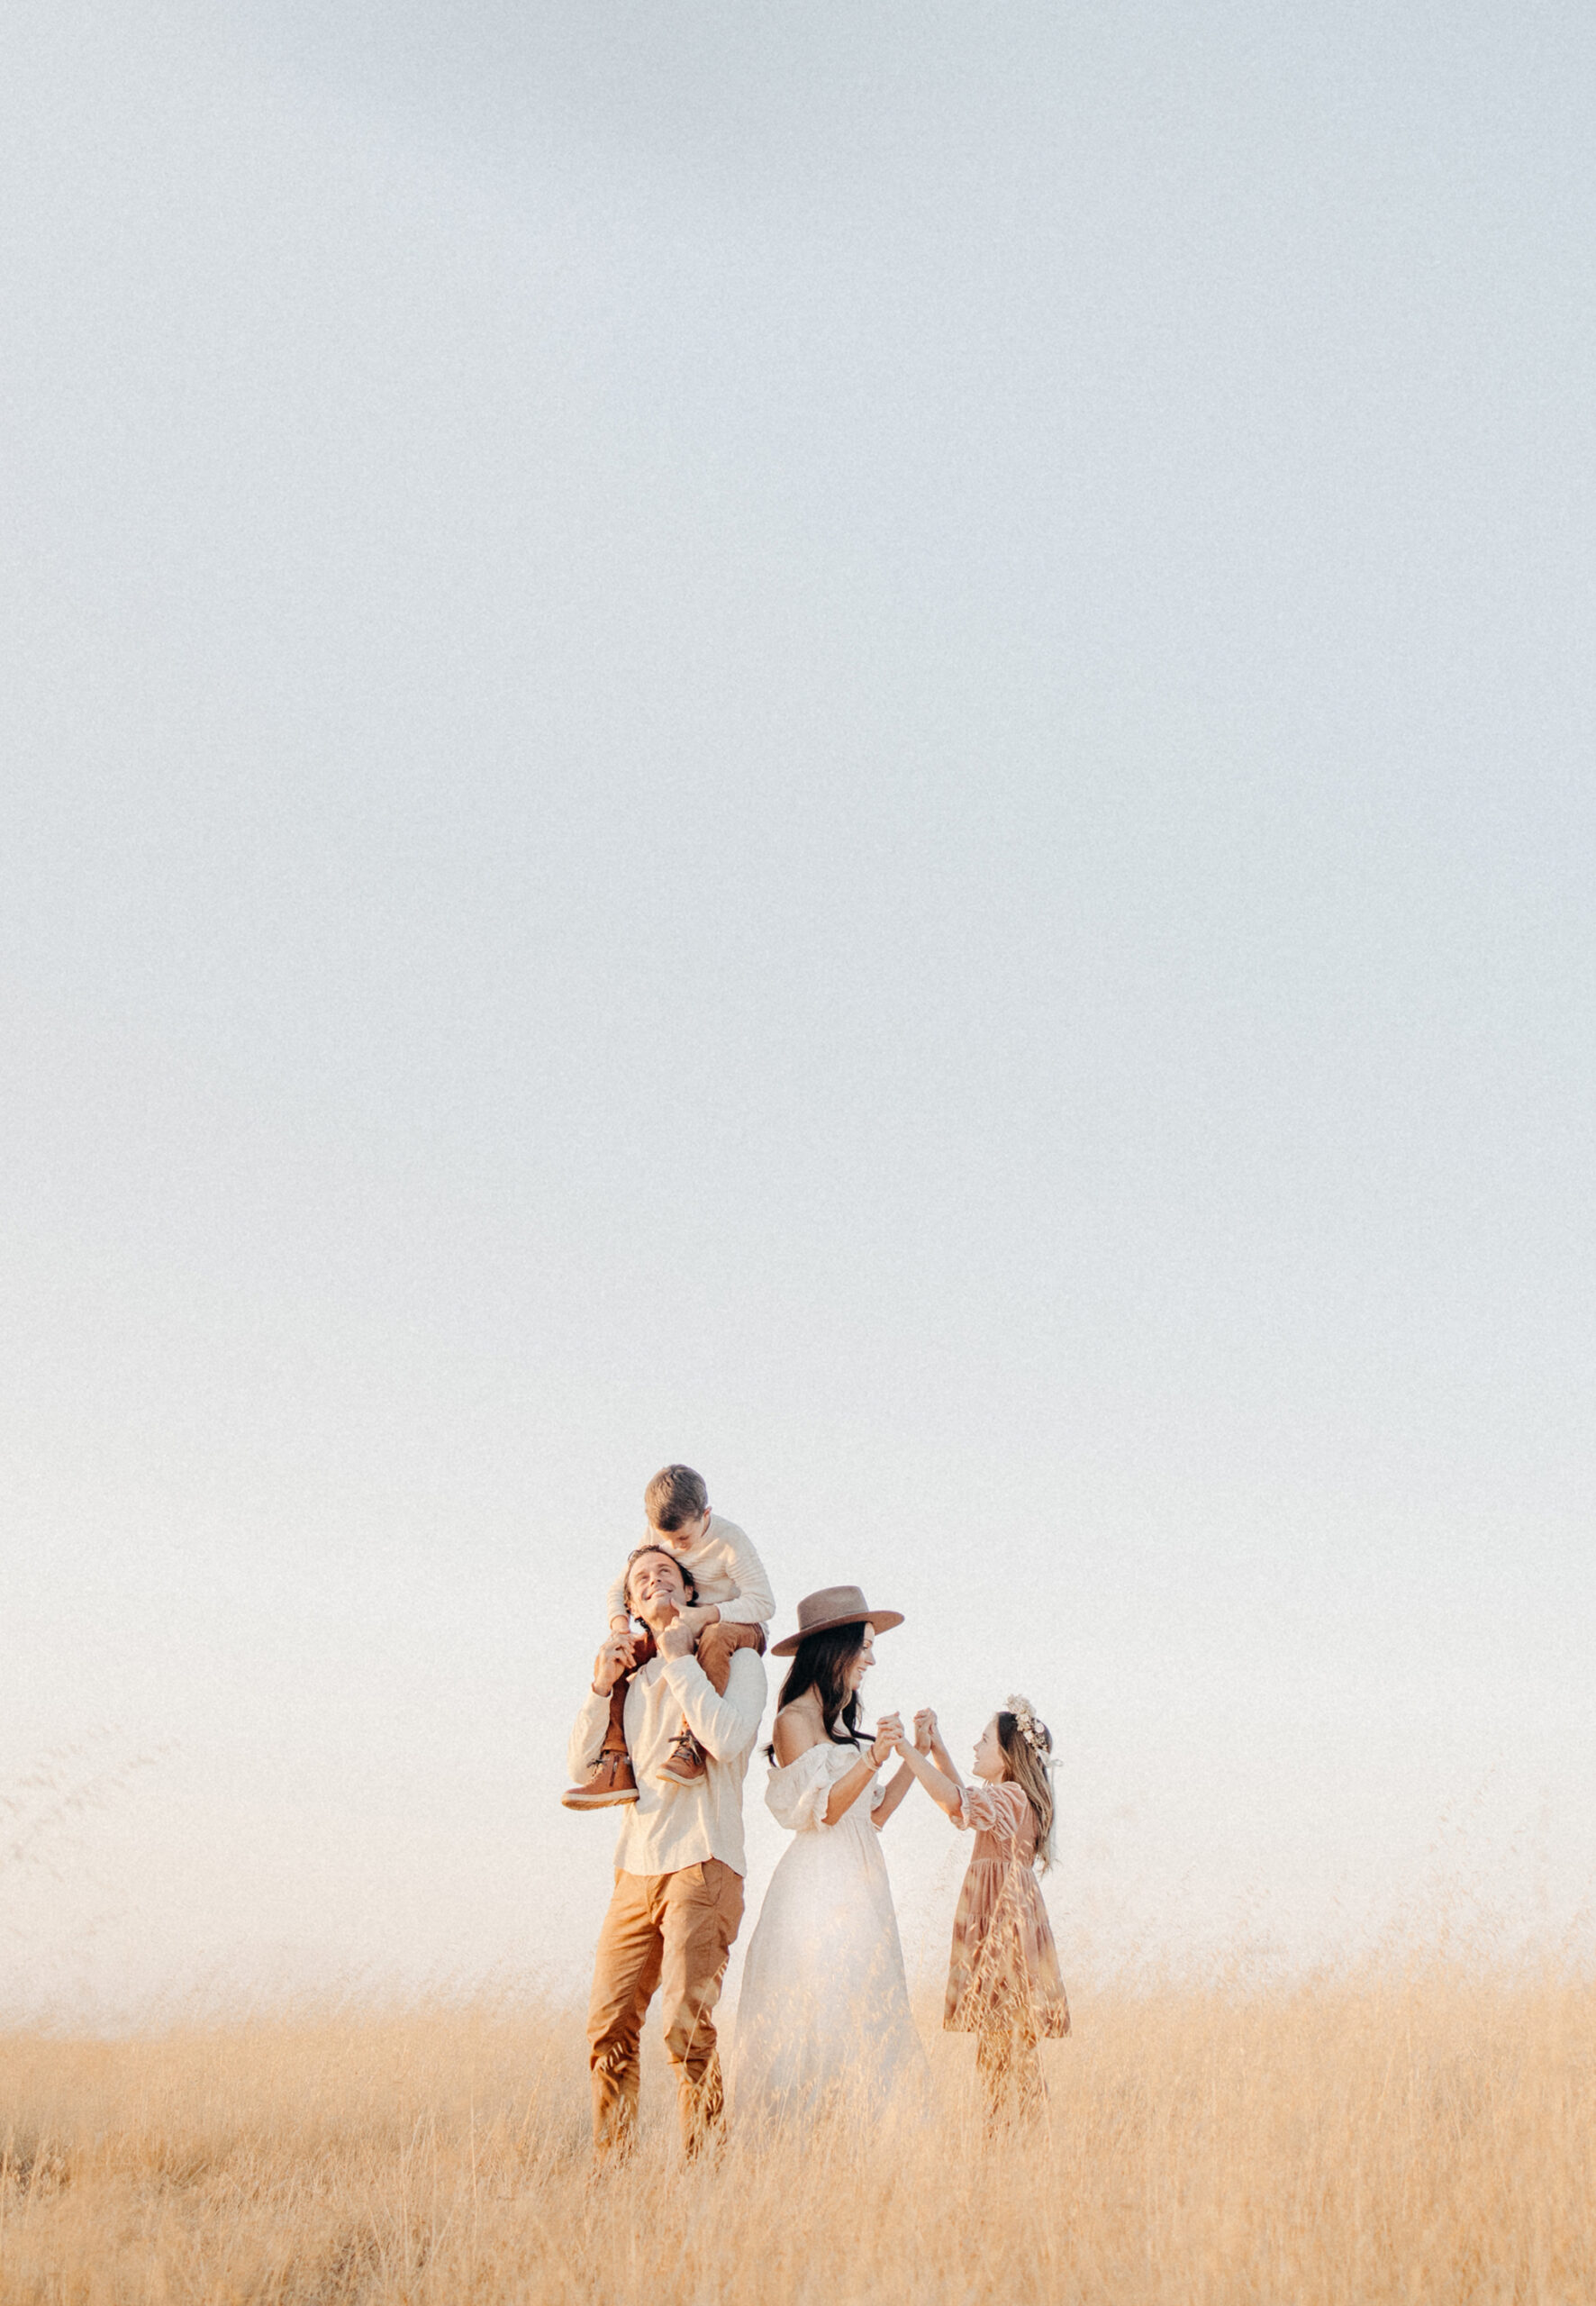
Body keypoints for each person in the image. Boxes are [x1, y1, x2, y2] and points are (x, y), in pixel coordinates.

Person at [567, 1544, 767, 2163]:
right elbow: (579, 1767)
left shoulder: (733, 1659)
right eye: (640, 1578)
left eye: (666, 1573)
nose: (654, 1581)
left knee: (685, 2031)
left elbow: (729, 1740)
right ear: (628, 1603)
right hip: (635, 1868)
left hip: (702, 1862)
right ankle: (613, 2172)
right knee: (608, 2032)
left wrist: (681, 1661)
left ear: (689, 1592)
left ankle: (703, 2174)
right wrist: (600, 1687)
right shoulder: (627, 1674)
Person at [729, 1584, 929, 2125]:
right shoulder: (793, 1721)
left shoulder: (839, 1723)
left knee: (867, 1998)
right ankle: (811, 2136)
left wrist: (916, 1754)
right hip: (820, 1881)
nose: (871, 1657)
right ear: (834, 1647)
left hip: (861, 1876)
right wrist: (873, 1759)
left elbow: (876, 1814)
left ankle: (865, 2133)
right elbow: (827, 1812)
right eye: (863, 1644)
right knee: (823, 2001)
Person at [894, 1695, 1070, 2126]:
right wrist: (935, 1748)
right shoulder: (1011, 1798)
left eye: (984, 1739)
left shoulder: (1010, 1797)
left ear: (1007, 1754)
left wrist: (908, 1751)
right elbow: (962, 1799)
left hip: (1003, 1928)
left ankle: (1011, 2136)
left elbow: (956, 1802)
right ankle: (1010, 2136)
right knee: (1005, 2046)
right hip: (1009, 1923)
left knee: (1005, 2048)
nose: (976, 1746)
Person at [563, 1464, 774, 1808]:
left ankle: (691, 1743)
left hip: (736, 1626)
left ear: (706, 1514)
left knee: (715, 1637)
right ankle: (614, 1763)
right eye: (667, 1539)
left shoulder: (729, 1541)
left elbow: (763, 1603)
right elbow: (619, 1587)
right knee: (618, 1656)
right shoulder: (656, 1535)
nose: (674, 1547)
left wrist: (704, 1615)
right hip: (682, 1626)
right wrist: (621, 1629)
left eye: (683, 1540)